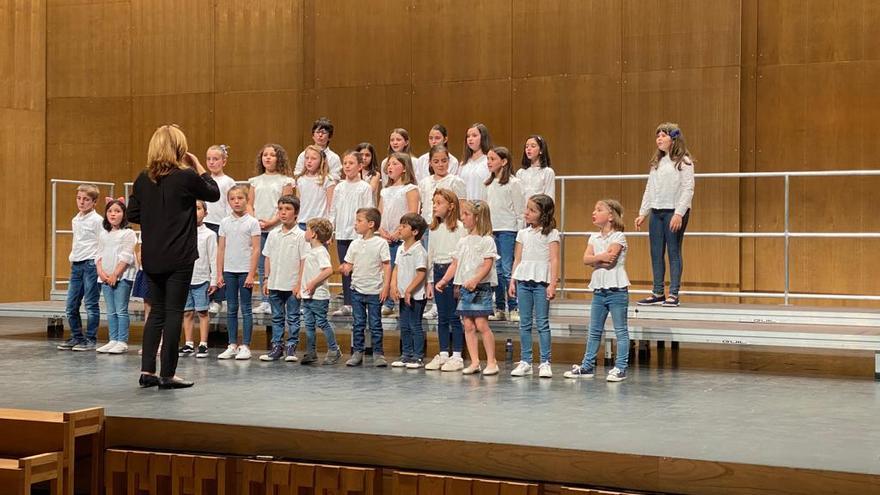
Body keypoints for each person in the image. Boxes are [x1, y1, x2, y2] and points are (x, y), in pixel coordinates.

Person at [128, 124, 220, 389]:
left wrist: (155, 215)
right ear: (179, 148)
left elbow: (133, 214)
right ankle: (167, 374)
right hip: (179, 256)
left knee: (155, 312)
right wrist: (199, 166)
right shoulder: (187, 176)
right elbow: (212, 193)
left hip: (153, 255)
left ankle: (147, 371)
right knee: (173, 313)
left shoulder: (144, 178)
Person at [565, 200, 631, 382]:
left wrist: (596, 259)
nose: (594, 212)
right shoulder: (593, 238)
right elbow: (585, 259)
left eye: (599, 210)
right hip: (599, 290)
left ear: (610, 216)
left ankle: (621, 367)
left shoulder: (618, 237)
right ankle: (587, 366)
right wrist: (599, 257)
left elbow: (611, 261)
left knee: (621, 330)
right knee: (594, 330)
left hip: (616, 290)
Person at [434, 200, 499, 376]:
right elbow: (455, 263)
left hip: (480, 287)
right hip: (465, 287)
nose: (463, 218)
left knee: (481, 323)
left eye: (466, 215)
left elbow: (487, 264)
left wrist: (476, 280)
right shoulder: (463, 241)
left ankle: (492, 361)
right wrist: (444, 280)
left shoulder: (486, 241)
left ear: (477, 218)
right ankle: (475, 361)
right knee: (468, 325)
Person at [635, 122, 695, 307]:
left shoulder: (683, 161)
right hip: (657, 211)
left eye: (663, 135)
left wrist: (678, 213)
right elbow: (649, 188)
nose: (659, 139)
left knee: (673, 251)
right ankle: (658, 291)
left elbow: (688, 189)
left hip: (674, 212)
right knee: (655, 252)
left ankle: (674, 293)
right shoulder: (657, 163)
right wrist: (643, 212)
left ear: (673, 138)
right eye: (657, 136)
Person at [508, 194, 560, 378]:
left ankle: (545, 362)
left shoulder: (551, 233)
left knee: (542, 323)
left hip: (541, 283)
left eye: (532, 210)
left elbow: (554, 260)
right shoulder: (523, 233)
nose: (527, 213)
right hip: (523, 281)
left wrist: (552, 284)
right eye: (527, 209)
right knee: (524, 323)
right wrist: (513, 280)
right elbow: (517, 259)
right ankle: (526, 361)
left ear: (543, 214)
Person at [340, 207, 391, 367]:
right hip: (357, 290)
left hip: (375, 290)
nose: (355, 224)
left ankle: (378, 353)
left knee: (375, 323)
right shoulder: (355, 244)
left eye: (359, 221)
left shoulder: (381, 243)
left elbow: (387, 266)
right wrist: (345, 268)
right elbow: (349, 264)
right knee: (358, 323)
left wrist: (386, 287)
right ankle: (358, 352)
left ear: (371, 224)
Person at [259, 195, 308, 362]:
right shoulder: (273, 234)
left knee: (293, 316)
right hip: (275, 282)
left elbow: (304, 261)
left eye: (287, 209)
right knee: (277, 316)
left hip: (292, 283)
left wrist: (299, 283)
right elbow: (267, 257)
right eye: (280, 209)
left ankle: (291, 346)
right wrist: (266, 279)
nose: (283, 213)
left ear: (296, 213)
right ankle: (277, 346)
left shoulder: (301, 235)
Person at [248, 143, 295, 314]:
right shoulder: (255, 181)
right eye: (265, 154)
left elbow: (287, 203)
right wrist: (255, 221)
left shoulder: (285, 181)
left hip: (277, 227)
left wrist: (271, 222)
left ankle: (283, 297)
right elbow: (249, 203)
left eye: (272, 155)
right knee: (262, 265)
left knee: (279, 262)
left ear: (279, 159)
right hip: (259, 228)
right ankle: (265, 299)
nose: (267, 157)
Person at [217, 185, 261, 361]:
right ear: (228, 201)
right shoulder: (225, 222)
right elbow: (221, 249)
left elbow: (256, 249)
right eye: (233, 198)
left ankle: (246, 345)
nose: (236, 201)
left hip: (244, 271)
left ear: (246, 200)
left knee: (246, 308)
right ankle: (232, 344)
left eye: (240, 198)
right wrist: (219, 273)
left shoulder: (252, 222)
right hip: (229, 270)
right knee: (231, 309)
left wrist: (251, 274)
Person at [57, 183, 103, 351]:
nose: (81, 202)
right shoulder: (76, 219)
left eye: (86, 199)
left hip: (90, 264)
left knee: (91, 303)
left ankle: (90, 339)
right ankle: (77, 336)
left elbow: (102, 243)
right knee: (71, 304)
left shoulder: (98, 221)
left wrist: (98, 264)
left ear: (94, 202)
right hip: (76, 264)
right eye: (79, 198)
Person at [424, 189, 466, 372]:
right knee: (442, 316)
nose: (434, 206)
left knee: (455, 317)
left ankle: (457, 356)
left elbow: (462, 256)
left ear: (451, 206)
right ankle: (443, 354)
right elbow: (430, 255)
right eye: (433, 202)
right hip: (439, 271)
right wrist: (429, 281)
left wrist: (459, 281)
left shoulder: (460, 227)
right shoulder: (433, 228)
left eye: (438, 202)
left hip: (454, 272)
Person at [329, 150, 374, 317]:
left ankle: (362, 303)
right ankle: (347, 303)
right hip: (342, 233)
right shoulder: (339, 187)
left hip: (358, 235)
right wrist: (331, 229)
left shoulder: (365, 188)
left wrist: (364, 231)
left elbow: (368, 209)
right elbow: (333, 210)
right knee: (345, 269)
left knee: (360, 269)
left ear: (360, 166)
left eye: (351, 163)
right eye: (345, 163)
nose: (347, 166)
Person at [485, 146, 524, 322]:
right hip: (492, 231)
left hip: (508, 230)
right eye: (488, 159)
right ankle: (500, 307)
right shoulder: (489, 184)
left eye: (493, 159)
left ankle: (514, 306)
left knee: (508, 269)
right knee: (497, 270)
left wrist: (520, 234)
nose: (489, 162)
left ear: (504, 161)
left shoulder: (514, 183)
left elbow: (519, 211)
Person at [378, 152, 420, 316]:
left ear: (404, 168)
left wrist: (398, 232)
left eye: (395, 164)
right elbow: (379, 213)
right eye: (389, 164)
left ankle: (404, 302)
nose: (390, 167)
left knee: (402, 270)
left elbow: (412, 214)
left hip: (402, 238)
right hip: (386, 238)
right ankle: (387, 301)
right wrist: (381, 230)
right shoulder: (385, 190)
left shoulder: (410, 189)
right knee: (386, 271)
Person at [95, 198, 137, 355]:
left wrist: (115, 274)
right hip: (105, 276)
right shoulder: (103, 233)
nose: (113, 214)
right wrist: (101, 272)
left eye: (117, 211)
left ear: (124, 214)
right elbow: (98, 254)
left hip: (122, 276)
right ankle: (112, 339)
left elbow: (126, 257)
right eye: (110, 211)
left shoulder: (128, 233)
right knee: (110, 310)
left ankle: (122, 341)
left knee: (120, 309)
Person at [299, 218, 342, 365]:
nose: (305, 232)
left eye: (307, 229)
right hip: (308, 295)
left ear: (314, 234)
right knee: (309, 324)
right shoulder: (312, 251)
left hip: (318, 296)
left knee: (322, 322)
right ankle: (311, 352)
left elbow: (328, 270)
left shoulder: (321, 252)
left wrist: (313, 283)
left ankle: (334, 349)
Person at [178, 200, 217, 359]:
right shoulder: (181, 232)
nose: (195, 212)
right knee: (186, 312)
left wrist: (214, 279)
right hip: (184, 278)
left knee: (202, 311)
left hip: (201, 278)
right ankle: (188, 343)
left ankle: (203, 344)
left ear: (205, 213)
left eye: (198, 209)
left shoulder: (209, 234)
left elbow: (213, 257)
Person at [390, 213, 429, 369]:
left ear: (414, 231)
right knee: (404, 325)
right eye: (400, 225)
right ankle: (406, 354)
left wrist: (409, 291)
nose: (400, 228)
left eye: (404, 226)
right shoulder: (400, 248)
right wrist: (393, 285)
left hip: (416, 295)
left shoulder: (419, 251)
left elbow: (421, 273)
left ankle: (418, 356)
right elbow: (396, 268)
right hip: (402, 294)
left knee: (415, 325)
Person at [203, 144, 235, 314]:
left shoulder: (228, 181)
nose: (212, 162)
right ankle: (205, 296)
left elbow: (230, 204)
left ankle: (218, 298)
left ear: (224, 161)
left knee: (218, 263)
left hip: (220, 225)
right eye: (209, 159)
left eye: (215, 159)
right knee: (206, 263)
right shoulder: (204, 180)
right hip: (204, 224)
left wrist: (228, 226)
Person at [295, 145, 335, 230]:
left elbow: (331, 205)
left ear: (322, 161)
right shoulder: (300, 179)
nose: (309, 161)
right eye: (307, 158)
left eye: (313, 158)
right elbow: (297, 202)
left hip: (320, 224)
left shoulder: (328, 180)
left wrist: (330, 224)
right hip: (302, 222)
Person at [516, 135, 555, 204]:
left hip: (540, 211)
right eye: (526, 146)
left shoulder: (548, 172)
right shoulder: (520, 173)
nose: (528, 149)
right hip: (523, 212)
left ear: (541, 150)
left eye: (533, 146)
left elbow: (549, 197)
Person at [458, 123, 492, 201]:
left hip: (482, 207)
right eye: (468, 136)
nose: (470, 139)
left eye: (474, 135)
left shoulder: (488, 161)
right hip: (465, 208)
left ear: (483, 138)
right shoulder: (463, 164)